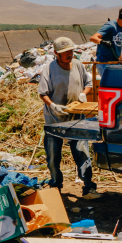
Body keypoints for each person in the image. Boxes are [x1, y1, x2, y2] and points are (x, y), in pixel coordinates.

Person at [38, 37, 98, 199]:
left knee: (82, 153)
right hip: (54, 119)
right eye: (65, 52)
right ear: (57, 53)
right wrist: (53, 105)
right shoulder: (49, 69)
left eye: (71, 51)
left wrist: (83, 95)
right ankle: (56, 185)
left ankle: (88, 187)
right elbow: (43, 93)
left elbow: (88, 83)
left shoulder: (78, 65)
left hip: (76, 118)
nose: (69, 54)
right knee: (53, 156)